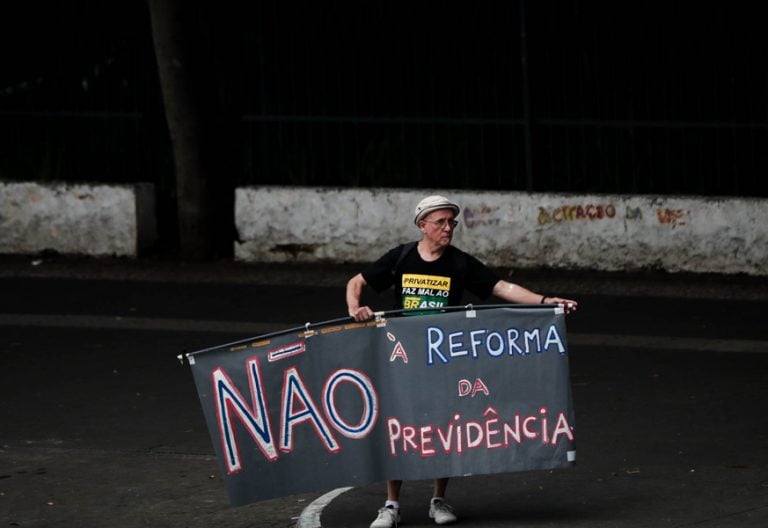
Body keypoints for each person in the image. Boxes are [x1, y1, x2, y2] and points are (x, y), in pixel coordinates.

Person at [346, 195, 578, 528]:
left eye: (451, 222)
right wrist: (356, 307)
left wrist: (545, 301)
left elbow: (502, 287)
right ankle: (391, 505)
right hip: (405, 360)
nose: (448, 228)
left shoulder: (459, 263)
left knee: (444, 427)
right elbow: (356, 282)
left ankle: (438, 500)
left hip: (444, 360)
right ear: (422, 225)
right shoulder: (401, 257)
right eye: (440, 222)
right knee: (401, 428)